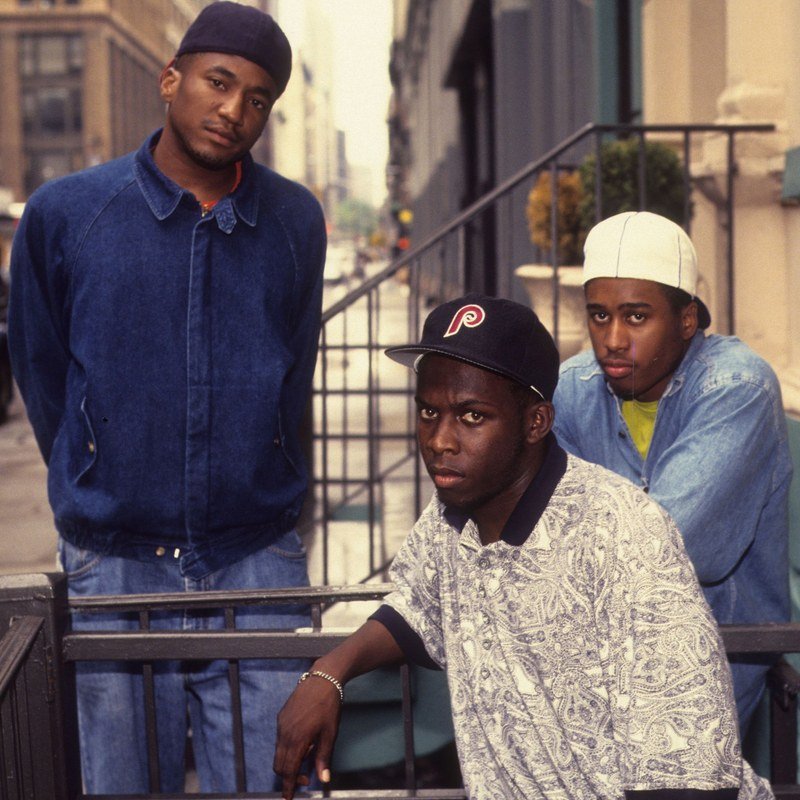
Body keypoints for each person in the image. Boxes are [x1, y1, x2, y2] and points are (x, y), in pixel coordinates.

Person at [273, 293, 772, 800]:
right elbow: (418, 609)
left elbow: (687, 774)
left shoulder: (622, 534)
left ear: (536, 422)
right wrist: (328, 672)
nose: (440, 440)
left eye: (471, 417)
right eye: (429, 411)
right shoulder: (453, 510)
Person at [8, 2, 326, 793]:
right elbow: (42, 369)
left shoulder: (293, 220)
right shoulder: (67, 213)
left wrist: (276, 485)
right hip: (115, 563)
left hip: (256, 563)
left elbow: (296, 372)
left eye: (258, 98)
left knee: (267, 786)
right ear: (170, 79)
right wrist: (91, 468)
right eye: (219, 83)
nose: (234, 110)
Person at [552, 211, 792, 735]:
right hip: (600, 650)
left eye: (636, 317)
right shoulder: (573, 387)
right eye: (598, 316)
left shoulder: (735, 389)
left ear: (687, 320)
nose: (612, 339)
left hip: (714, 651)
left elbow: (669, 548)